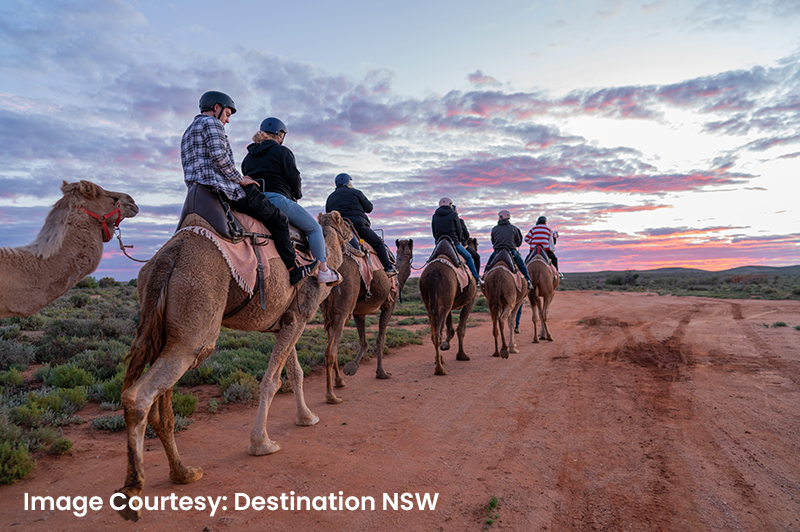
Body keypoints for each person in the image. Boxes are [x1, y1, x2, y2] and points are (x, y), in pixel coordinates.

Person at [181, 92, 316, 286]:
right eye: (227, 114)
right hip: (223, 189)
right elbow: (220, 158)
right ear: (217, 108)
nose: (227, 120)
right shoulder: (211, 124)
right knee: (279, 219)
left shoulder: (188, 131)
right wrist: (240, 179)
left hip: (196, 192)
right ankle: (293, 269)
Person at [241, 117, 339, 284]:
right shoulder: (282, 152)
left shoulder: (247, 157)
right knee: (314, 228)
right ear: (279, 135)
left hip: (253, 201)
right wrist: (297, 194)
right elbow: (294, 178)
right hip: (276, 199)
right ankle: (323, 270)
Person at [325, 173, 397, 276]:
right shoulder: (356, 192)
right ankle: (388, 268)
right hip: (357, 226)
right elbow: (369, 208)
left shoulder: (330, 198)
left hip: (339, 230)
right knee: (378, 243)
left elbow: (328, 214)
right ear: (348, 182)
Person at [431, 197, 480, 284]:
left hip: (440, 243)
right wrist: (458, 241)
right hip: (453, 242)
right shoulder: (454, 215)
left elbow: (434, 231)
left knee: (431, 261)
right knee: (469, 257)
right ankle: (476, 278)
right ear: (450, 205)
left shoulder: (435, 216)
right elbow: (458, 230)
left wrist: (438, 241)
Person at [486, 210, 532, 290]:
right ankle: (528, 280)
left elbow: (493, 241)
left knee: (489, 265)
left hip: (497, 251)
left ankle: (483, 280)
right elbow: (518, 242)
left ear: (501, 217)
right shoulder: (514, 228)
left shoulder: (494, 229)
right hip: (511, 250)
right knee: (521, 264)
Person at [454, 204, 481, 274]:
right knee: (476, 257)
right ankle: (476, 277)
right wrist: (463, 243)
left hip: (444, 244)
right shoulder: (460, 221)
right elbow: (466, 235)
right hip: (460, 244)